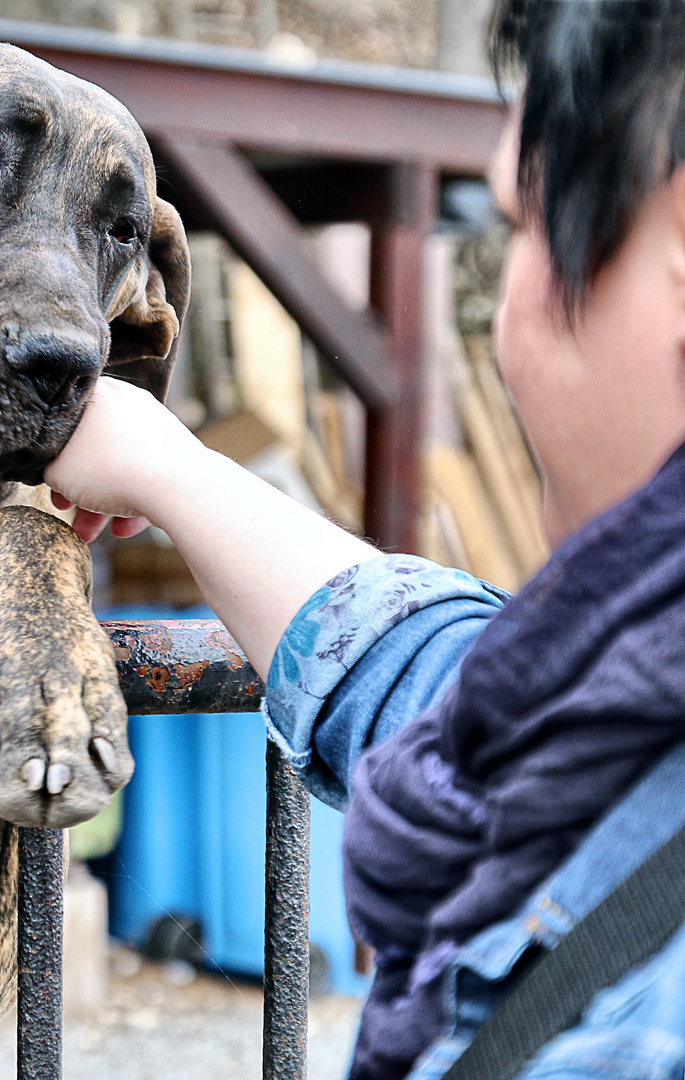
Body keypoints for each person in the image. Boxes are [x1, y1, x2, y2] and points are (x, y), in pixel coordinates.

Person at [44, 2, 685, 1077]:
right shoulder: (616, 700)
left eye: (517, 225)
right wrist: (171, 468)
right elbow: (426, 670)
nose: (509, 311)